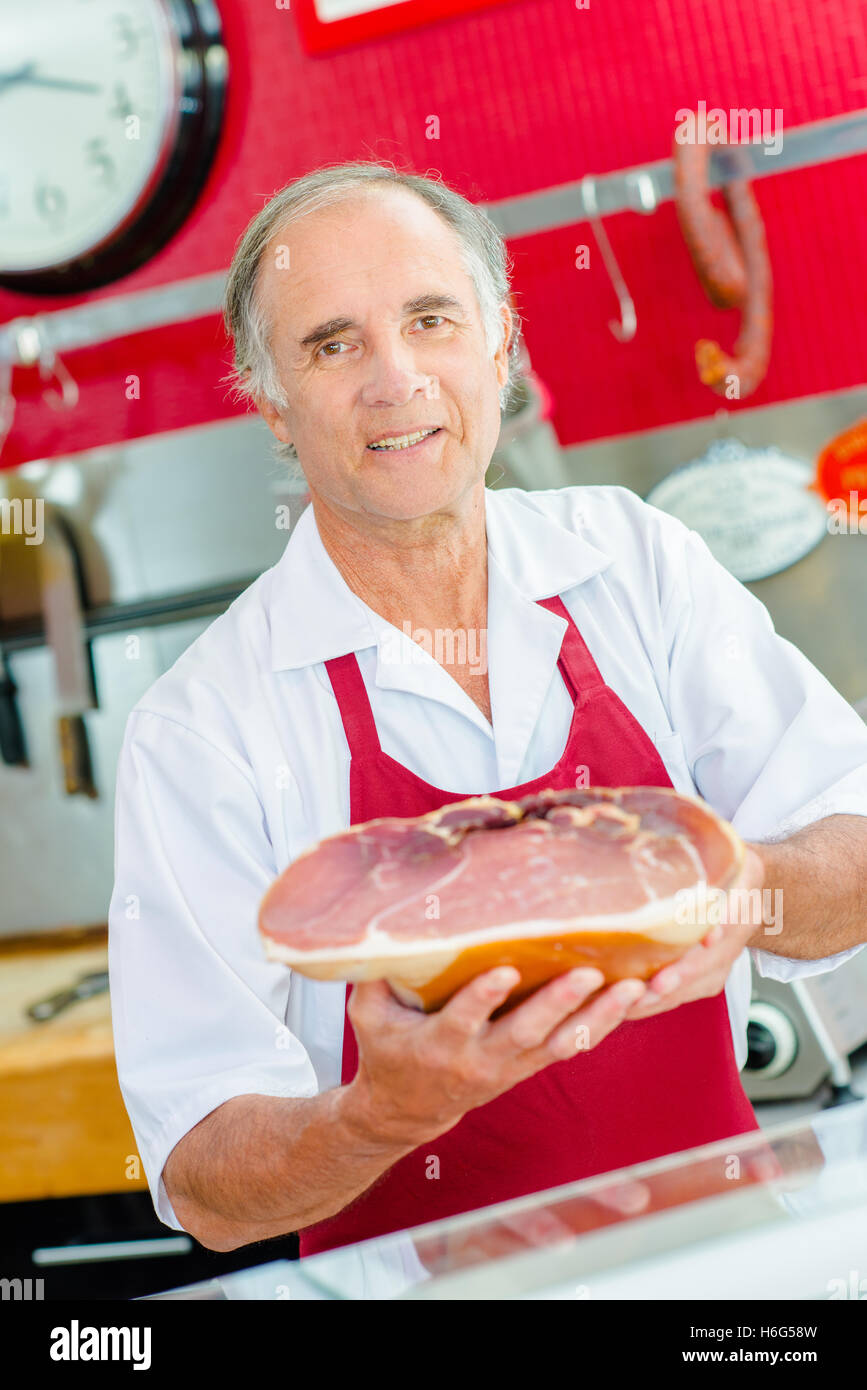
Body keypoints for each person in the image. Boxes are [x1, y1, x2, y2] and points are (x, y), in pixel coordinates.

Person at [108, 161, 867, 1257]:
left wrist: (750, 893)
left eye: (430, 319)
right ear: (270, 403)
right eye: (332, 344)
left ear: (500, 344)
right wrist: (378, 1118)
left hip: (724, 1269)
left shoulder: (637, 560)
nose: (396, 378)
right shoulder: (204, 728)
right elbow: (208, 1181)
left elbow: (853, 853)